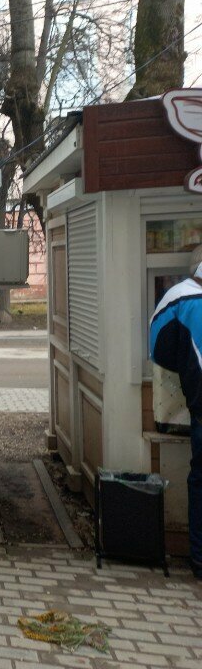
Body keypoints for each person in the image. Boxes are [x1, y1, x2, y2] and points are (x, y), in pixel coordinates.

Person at [149, 244, 202, 579]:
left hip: (199, 412)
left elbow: (158, 349)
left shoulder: (179, 299)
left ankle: (199, 558)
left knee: (200, 482)